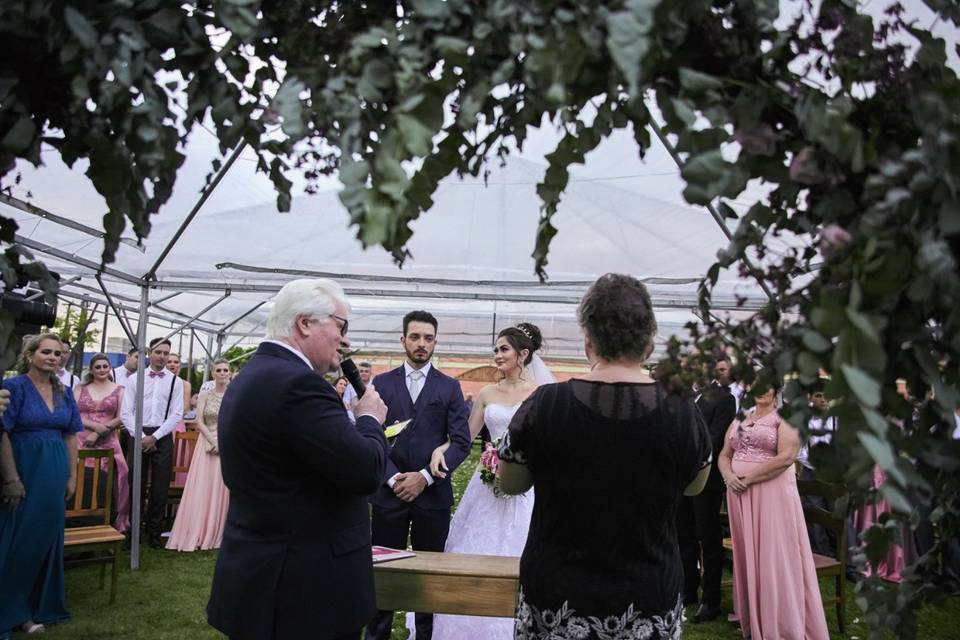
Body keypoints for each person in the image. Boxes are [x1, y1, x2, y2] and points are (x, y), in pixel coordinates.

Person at [497, 274, 713, 640]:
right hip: (647, 598)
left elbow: (510, 482)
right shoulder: (683, 411)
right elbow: (695, 486)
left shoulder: (545, 404)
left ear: (587, 339)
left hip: (558, 599)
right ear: (649, 341)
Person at [207, 278, 389, 640]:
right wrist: (370, 419)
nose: (346, 339)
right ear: (305, 323)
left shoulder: (253, 376)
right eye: (340, 326)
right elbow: (366, 470)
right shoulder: (299, 385)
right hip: (304, 591)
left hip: (261, 572)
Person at [420, 323, 553, 640]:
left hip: (526, 486)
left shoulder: (541, 394)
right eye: (495, 349)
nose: (497, 355)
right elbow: (463, 438)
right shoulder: (486, 393)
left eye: (503, 349)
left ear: (522, 354)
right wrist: (442, 448)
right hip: (487, 484)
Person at [365, 311, 472, 640]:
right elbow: (369, 435)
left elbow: (462, 442)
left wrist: (425, 476)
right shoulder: (380, 384)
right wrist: (394, 478)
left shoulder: (450, 386)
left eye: (428, 338)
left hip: (432, 497)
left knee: (429, 579)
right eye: (415, 337)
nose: (421, 343)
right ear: (403, 341)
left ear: (435, 342)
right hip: (389, 496)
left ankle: (426, 635)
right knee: (383, 578)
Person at [718, 385, 829, 640]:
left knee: (772, 552)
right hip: (739, 493)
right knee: (748, 551)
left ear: (776, 388)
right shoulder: (741, 418)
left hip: (770, 493)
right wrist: (729, 476)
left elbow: (786, 457)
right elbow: (724, 453)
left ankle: (779, 621)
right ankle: (752, 614)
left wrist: (747, 478)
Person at [0, 333, 83, 637]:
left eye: (57, 353)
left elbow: (71, 435)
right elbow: (2, 433)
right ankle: (10, 611)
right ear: (30, 354)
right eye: (45, 352)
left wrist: (72, 476)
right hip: (23, 468)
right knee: (18, 541)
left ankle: (35, 606)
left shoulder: (65, 391)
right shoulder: (13, 387)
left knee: (45, 540)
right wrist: (11, 479)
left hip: (54, 473)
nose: (52, 357)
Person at [677, 356, 737, 622]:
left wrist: (686, 457)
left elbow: (713, 438)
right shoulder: (685, 396)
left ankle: (710, 600)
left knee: (708, 539)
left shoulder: (724, 398)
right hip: (681, 480)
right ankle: (687, 589)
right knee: (683, 536)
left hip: (706, 480)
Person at [120, 337, 184, 549]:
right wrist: (140, 437)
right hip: (137, 432)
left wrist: (155, 436)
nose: (163, 357)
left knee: (160, 486)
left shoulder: (175, 382)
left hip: (162, 435)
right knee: (136, 485)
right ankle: (134, 532)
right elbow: (126, 412)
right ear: (149, 353)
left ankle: (154, 533)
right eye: (159, 352)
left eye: (166, 353)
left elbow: (176, 414)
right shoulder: (134, 379)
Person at [166, 359, 232, 551]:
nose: (222, 373)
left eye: (225, 370)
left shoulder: (234, 395)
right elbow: (198, 419)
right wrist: (212, 440)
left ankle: (219, 531)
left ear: (230, 373)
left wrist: (223, 439)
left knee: (222, 487)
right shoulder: (204, 394)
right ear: (213, 373)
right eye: (218, 370)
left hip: (227, 443)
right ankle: (198, 530)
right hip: (206, 443)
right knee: (203, 486)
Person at [76, 353, 130, 533]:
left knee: (106, 483)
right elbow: (73, 414)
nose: (101, 370)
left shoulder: (120, 389)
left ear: (110, 369)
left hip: (108, 442)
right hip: (81, 441)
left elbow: (122, 416)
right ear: (91, 369)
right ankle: (77, 524)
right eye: (97, 367)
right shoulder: (80, 388)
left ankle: (104, 523)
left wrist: (100, 432)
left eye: (104, 366)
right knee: (81, 481)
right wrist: (94, 428)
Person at [166, 353, 193, 485]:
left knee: (179, 459)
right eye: (169, 361)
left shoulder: (185, 384)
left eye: (176, 362)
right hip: (160, 423)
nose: (172, 364)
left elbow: (186, 407)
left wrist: (171, 418)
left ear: (180, 366)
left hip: (177, 425)